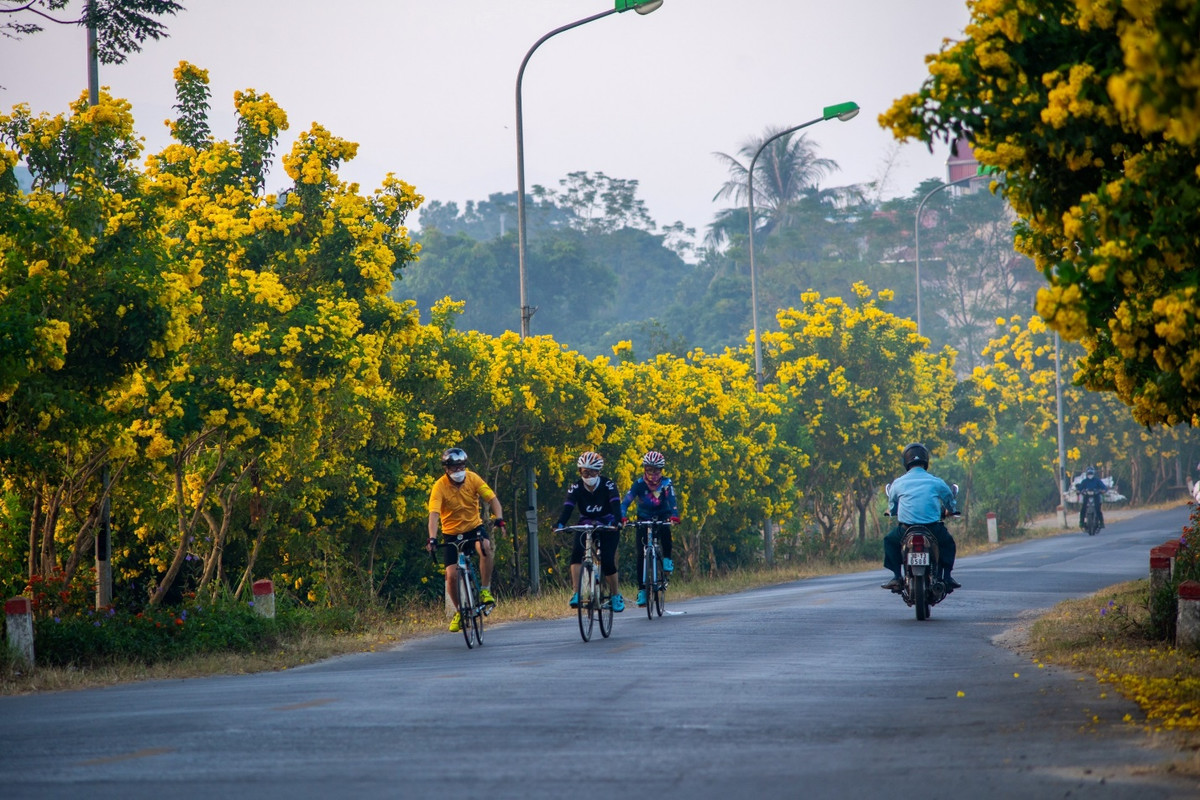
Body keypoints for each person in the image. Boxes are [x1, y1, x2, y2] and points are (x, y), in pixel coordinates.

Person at [427, 447, 503, 632]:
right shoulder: (439, 486)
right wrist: (432, 538)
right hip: (451, 533)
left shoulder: (473, 478)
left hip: (473, 528)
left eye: (461, 467)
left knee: (485, 547)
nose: (458, 471)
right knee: (451, 576)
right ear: (446, 469)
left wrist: (499, 518)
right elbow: (434, 515)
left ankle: (485, 589)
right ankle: (460, 612)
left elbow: (492, 499)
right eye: (454, 468)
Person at [882, 442, 960, 591]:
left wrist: (892, 512)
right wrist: (951, 510)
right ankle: (947, 577)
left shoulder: (898, 483)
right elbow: (949, 500)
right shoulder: (936, 481)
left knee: (889, 541)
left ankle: (897, 577)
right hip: (932, 529)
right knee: (948, 543)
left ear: (906, 461)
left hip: (906, 530)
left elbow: (892, 507)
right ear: (926, 461)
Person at [555, 450, 626, 613]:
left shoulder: (609, 485)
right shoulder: (576, 487)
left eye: (592, 471)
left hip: (608, 523)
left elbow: (615, 505)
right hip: (586, 523)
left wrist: (617, 521)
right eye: (585, 471)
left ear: (599, 472)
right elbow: (568, 507)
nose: (588, 475)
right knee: (576, 554)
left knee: (608, 560)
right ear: (580, 471)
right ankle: (576, 592)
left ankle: (615, 595)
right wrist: (560, 523)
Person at [620, 450, 680, 607]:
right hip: (643, 519)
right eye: (650, 469)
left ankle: (667, 559)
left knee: (665, 531)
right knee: (641, 553)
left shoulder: (666, 483)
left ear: (662, 470)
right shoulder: (638, 484)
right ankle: (641, 590)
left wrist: (674, 515)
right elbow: (626, 501)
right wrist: (622, 516)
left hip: (662, 516)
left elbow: (672, 501)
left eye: (657, 470)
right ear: (645, 469)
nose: (653, 473)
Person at [1075, 466, 1107, 531]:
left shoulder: (1097, 480)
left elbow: (1104, 487)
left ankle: (1101, 522)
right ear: (1086, 474)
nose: (1090, 475)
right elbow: (1080, 488)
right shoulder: (1084, 481)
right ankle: (1081, 522)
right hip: (1086, 496)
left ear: (1093, 474)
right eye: (1089, 474)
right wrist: (1078, 491)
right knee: (1083, 509)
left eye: (1091, 473)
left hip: (1096, 496)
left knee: (1098, 509)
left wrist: (1103, 490)